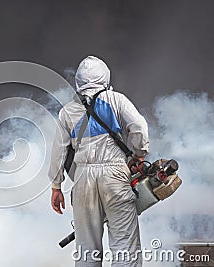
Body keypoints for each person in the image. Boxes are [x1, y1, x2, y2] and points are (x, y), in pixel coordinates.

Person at [49, 55, 149, 266]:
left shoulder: (67, 111)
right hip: (115, 175)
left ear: (78, 81)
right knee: (125, 249)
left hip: (83, 178)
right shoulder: (116, 100)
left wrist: (56, 186)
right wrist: (139, 155)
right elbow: (139, 127)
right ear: (105, 77)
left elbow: (59, 151)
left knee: (87, 250)